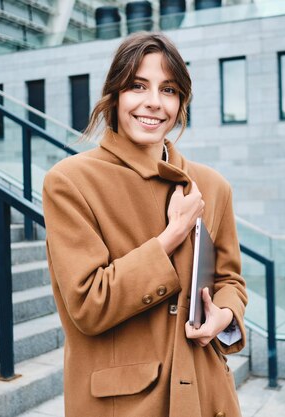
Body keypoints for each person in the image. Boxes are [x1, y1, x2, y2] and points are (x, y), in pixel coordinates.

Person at [42, 32, 247, 417]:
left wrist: (223, 315)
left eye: (168, 90)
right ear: (115, 94)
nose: (153, 102)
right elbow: (87, 303)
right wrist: (170, 237)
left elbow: (230, 281)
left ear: (181, 102)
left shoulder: (214, 187)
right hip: (125, 405)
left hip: (207, 396)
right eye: (138, 86)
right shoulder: (70, 182)